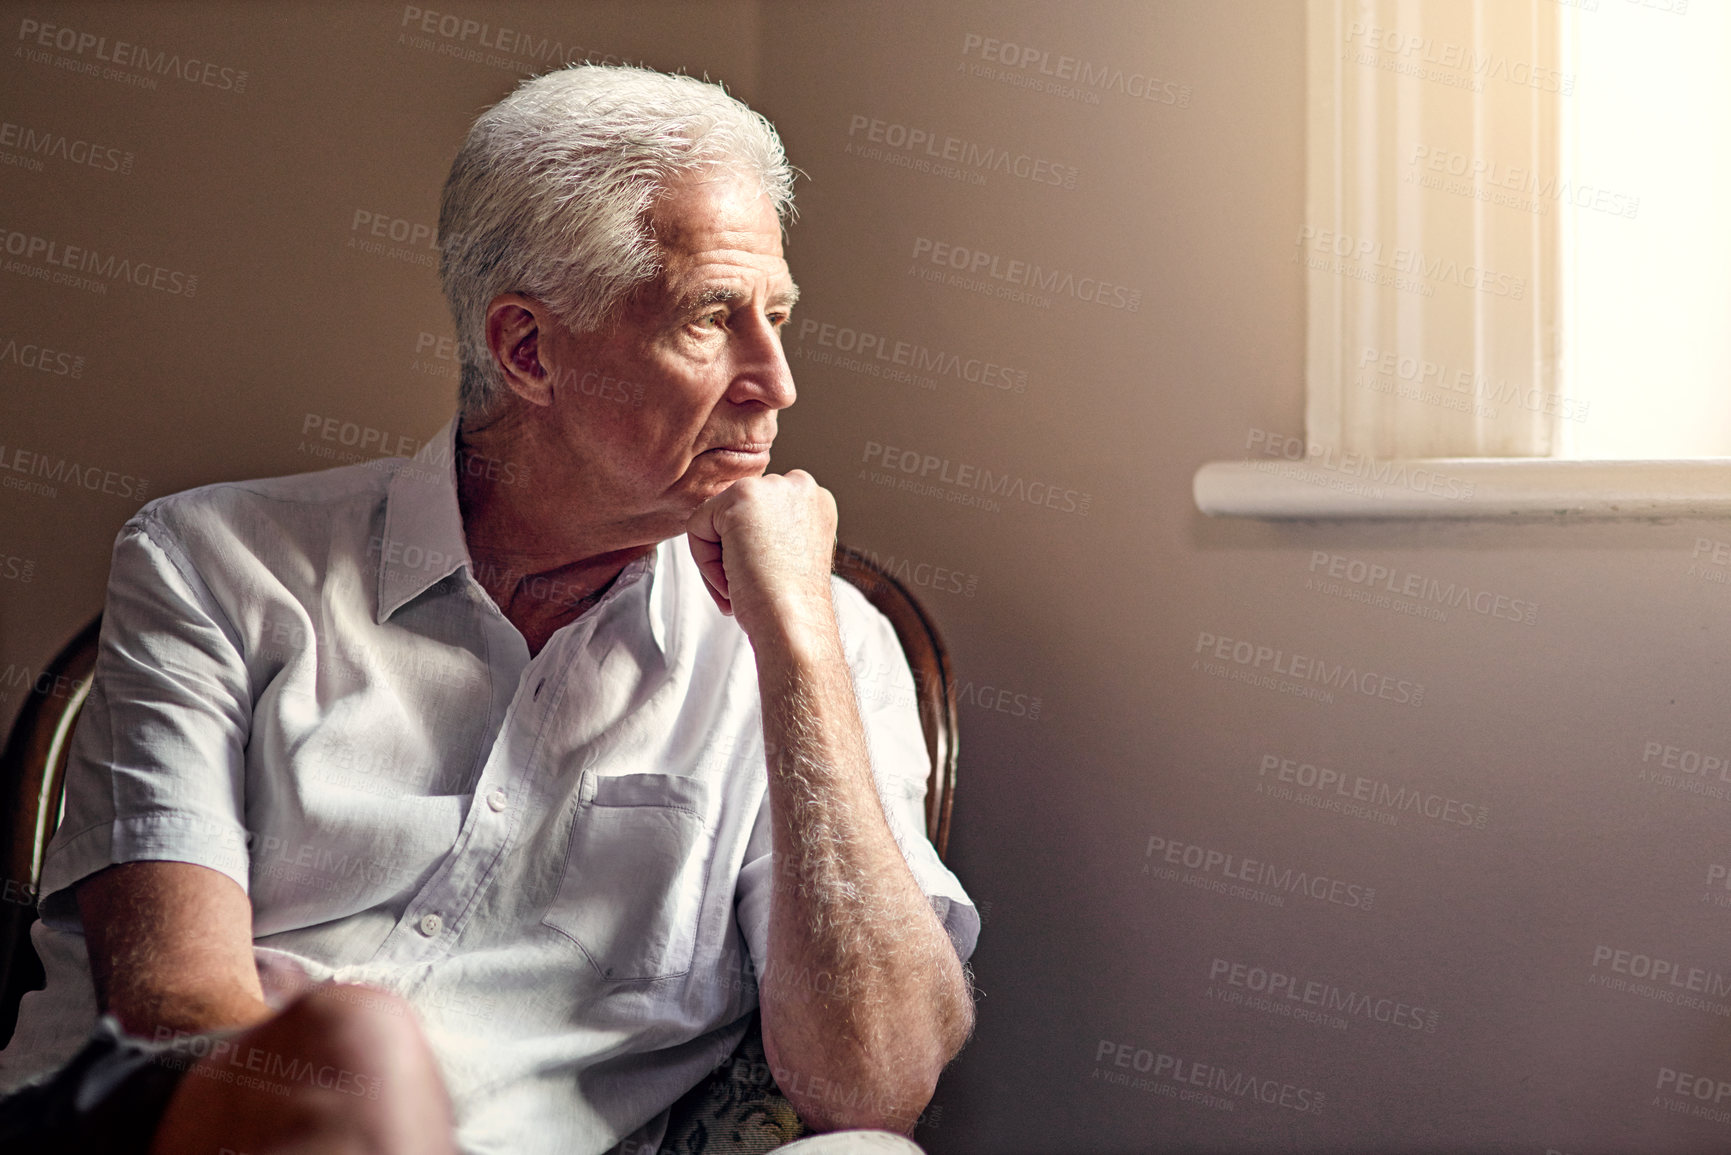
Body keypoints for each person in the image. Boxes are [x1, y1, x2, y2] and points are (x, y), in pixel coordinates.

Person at [0, 64, 977, 1154]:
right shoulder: (212, 562)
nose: (775, 380)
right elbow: (173, 1006)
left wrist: (799, 649)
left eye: (779, 316)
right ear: (527, 350)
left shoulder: (833, 640)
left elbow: (875, 1082)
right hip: (209, 1127)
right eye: (714, 318)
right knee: (355, 1050)